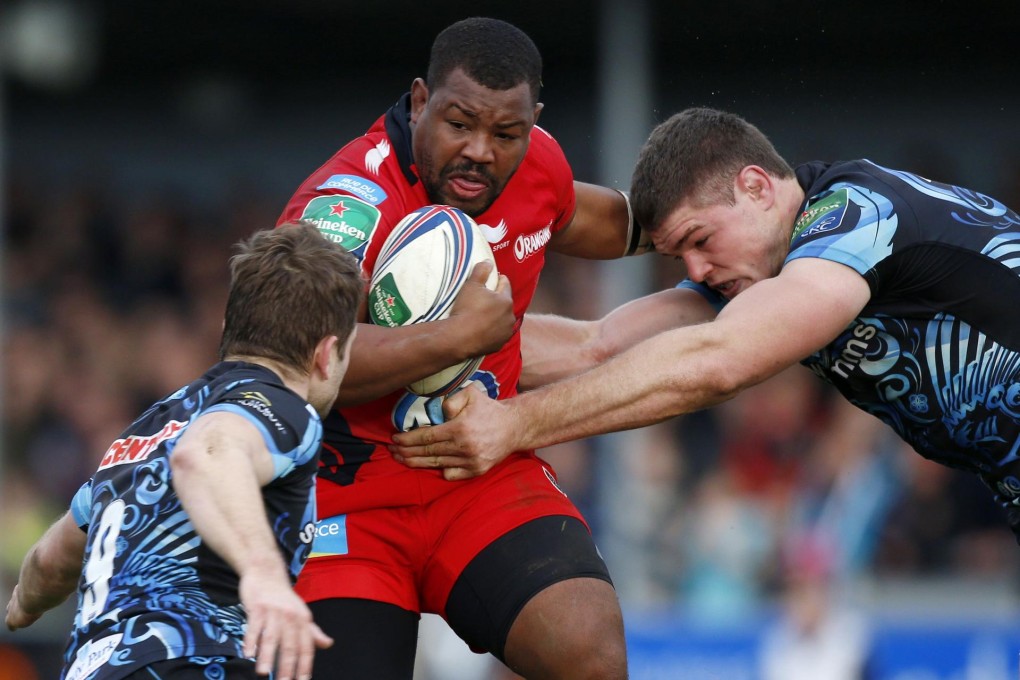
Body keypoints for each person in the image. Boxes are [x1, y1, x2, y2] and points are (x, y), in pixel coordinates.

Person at [391, 106, 1020, 550]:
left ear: (755, 187)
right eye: (678, 256)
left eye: (700, 241)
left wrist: (516, 424)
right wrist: (431, 338)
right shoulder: (760, 270)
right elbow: (595, 347)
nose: (694, 270)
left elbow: (721, 361)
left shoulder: (856, 216)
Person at [276, 16, 647, 680]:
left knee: (591, 654)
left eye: (506, 133)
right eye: (458, 123)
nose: (480, 150)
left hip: (482, 477)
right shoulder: (346, 203)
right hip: (347, 498)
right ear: (420, 101)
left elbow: (607, 221)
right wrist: (459, 337)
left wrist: (741, 224)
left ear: (533, 123)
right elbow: (299, 365)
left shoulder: (540, 166)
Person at [5, 223, 364, 680]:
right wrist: (263, 575)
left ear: (227, 328)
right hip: (191, 662)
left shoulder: (142, 432)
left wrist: (23, 605)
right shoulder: (282, 408)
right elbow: (206, 456)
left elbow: (50, 560)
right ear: (327, 353)